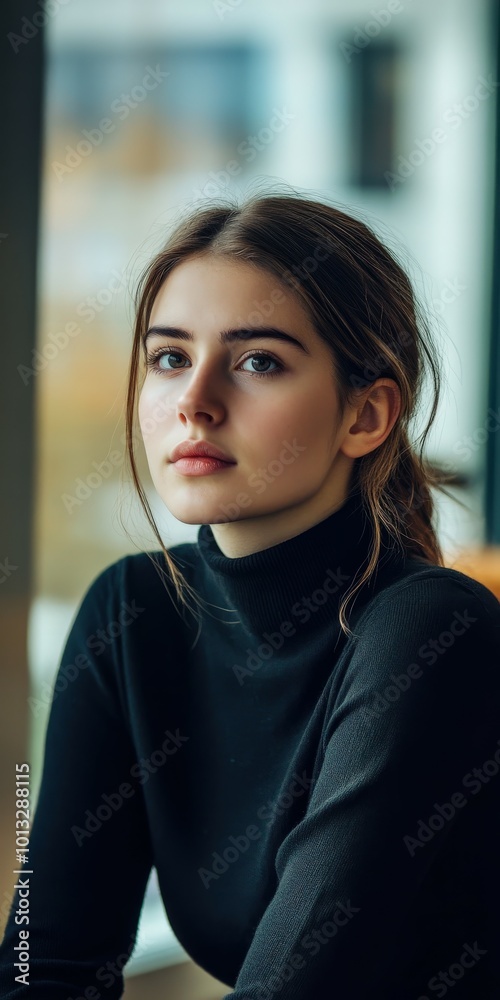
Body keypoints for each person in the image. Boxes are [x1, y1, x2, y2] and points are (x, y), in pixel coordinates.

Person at [0, 192, 499, 1000]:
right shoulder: (133, 612)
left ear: (366, 414)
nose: (194, 401)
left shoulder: (430, 631)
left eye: (257, 361)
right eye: (168, 357)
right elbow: (41, 962)